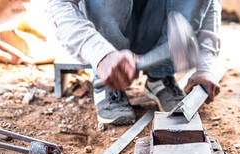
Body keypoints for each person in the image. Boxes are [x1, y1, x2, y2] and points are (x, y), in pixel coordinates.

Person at [46, 0, 221, 125]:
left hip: (152, 23)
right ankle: (110, 79)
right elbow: (59, 4)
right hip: (106, 33)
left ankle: (161, 75)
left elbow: (208, 3)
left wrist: (205, 66)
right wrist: (100, 54)